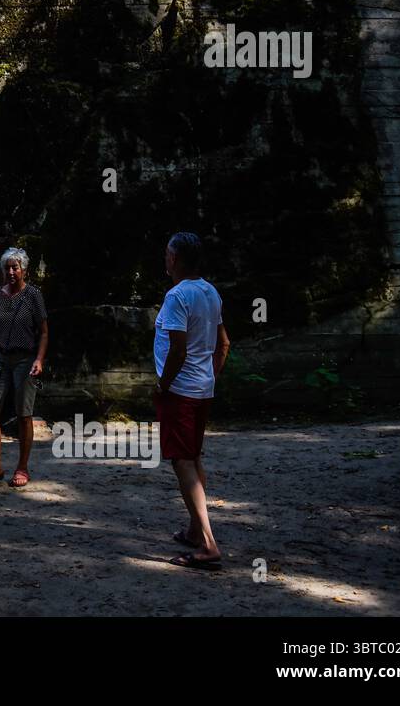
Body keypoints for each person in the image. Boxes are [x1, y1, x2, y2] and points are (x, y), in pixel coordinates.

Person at [154, 232, 229, 570]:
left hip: (180, 392)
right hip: (202, 389)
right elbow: (224, 344)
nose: (165, 258)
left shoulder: (177, 296)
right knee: (193, 457)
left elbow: (178, 350)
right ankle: (195, 530)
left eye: (169, 254)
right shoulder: (210, 292)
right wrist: (210, 376)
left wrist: (162, 385)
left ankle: (209, 545)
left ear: (177, 259)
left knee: (182, 462)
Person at [0, 247, 48, 488]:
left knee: (23, 414)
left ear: (24, 270)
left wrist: (39, 359)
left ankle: (22, 468)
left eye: (15, 267)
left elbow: (44, 332)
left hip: (25, 359)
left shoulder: (33, 295)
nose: (11, 271)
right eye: (7, 267)